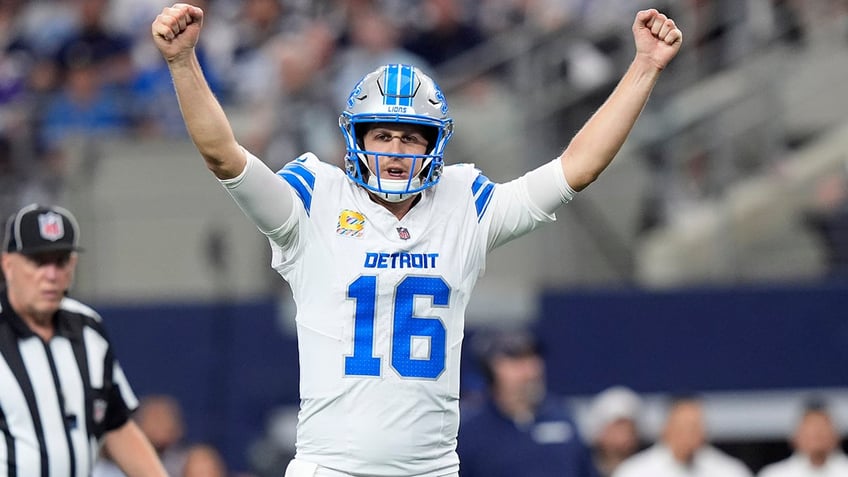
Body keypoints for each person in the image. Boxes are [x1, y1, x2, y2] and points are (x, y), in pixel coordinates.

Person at [150, 3, 682, 476]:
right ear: (356, 139)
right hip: (332, 466)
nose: (396, 148)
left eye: (410, 136)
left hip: (431, 469)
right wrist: (183, 63)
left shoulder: (464, 204)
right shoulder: (316, 199)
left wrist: (644, 66)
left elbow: (576, 169)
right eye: (382, 133)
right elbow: (225, 156)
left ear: (434, 144)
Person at [0, 203, 167, 477]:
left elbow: (117, 425)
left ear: (73, 264)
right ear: (8, 264)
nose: (51, 275)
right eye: (38, 261)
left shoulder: (88, 329)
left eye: (61, 260)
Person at [457, 328, 599, 477]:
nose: (530, 371)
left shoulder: (562, 418)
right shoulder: (470, 430)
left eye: (533, 358)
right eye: (517, 360)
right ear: (490, 368)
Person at [612, 395, 752, 477]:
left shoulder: (729, 471)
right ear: (666, 429)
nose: (691, 434)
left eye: (696, 426)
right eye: (684, 427)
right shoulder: (634, 472)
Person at [757, 399, 848, 477]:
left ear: (837, 435)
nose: (817, 434)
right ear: (795, 437)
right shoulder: (774, 474)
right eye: (810, 430)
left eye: (822, 429)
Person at [585, 386, 644, 477]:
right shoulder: (581, 468)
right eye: (618, 427)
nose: (626, 435)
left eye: (631, 428)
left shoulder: (650, 470)